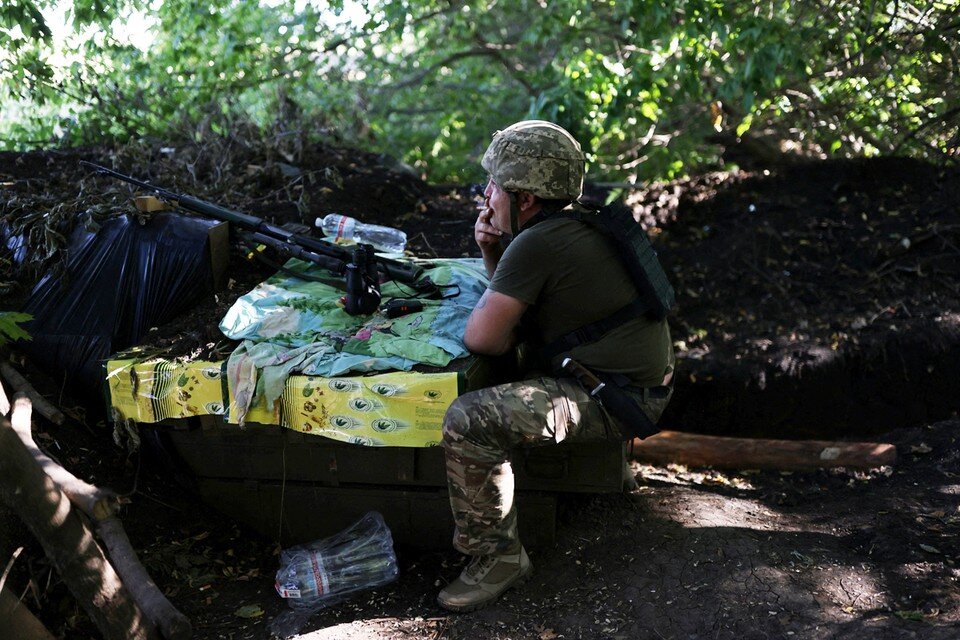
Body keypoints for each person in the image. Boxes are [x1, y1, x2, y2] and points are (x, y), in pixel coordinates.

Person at [437, 120, 676, 612]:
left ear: (524, 198)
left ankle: (499, 559)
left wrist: (502, 254)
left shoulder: (537, 243)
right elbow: (519, 322)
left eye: (494, 186)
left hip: (618, 399)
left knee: (467, 419)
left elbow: (483, 338)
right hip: (630, 382)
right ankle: (609, 468)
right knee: (514, 363)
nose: (486, 196)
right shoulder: (577, 222)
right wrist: (492, 251)